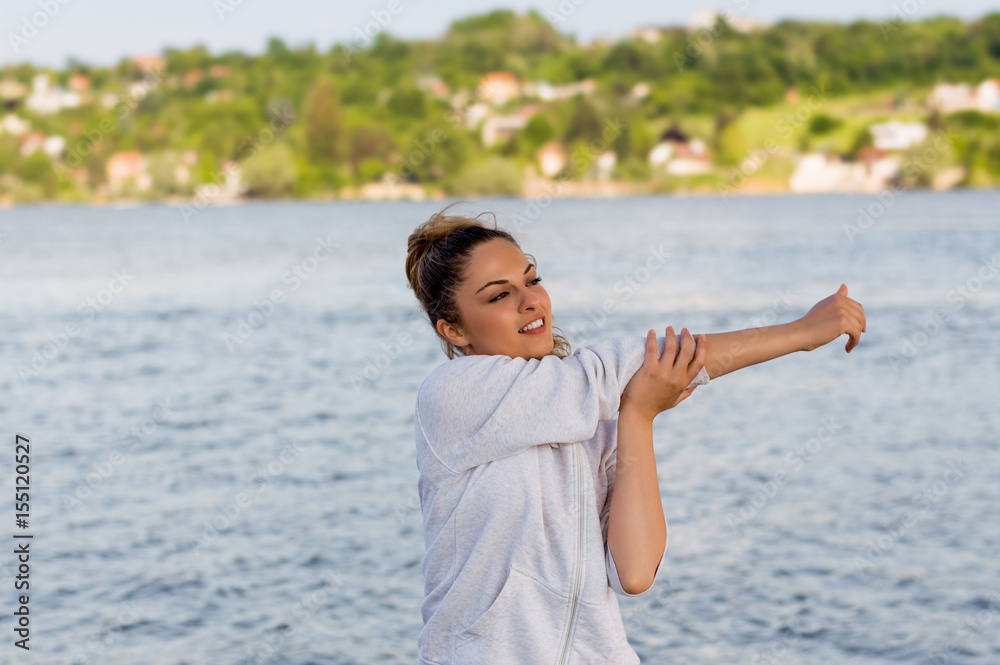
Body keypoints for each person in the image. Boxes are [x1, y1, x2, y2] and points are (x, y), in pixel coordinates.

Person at [404, 204, 866, 665]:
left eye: (533, 280)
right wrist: (802, 332)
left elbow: (636, 572)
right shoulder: (451, 397)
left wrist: (638, 417)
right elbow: (626, 366)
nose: (531, 301)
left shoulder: (590, 414)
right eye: (499, 295)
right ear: (454, 330)